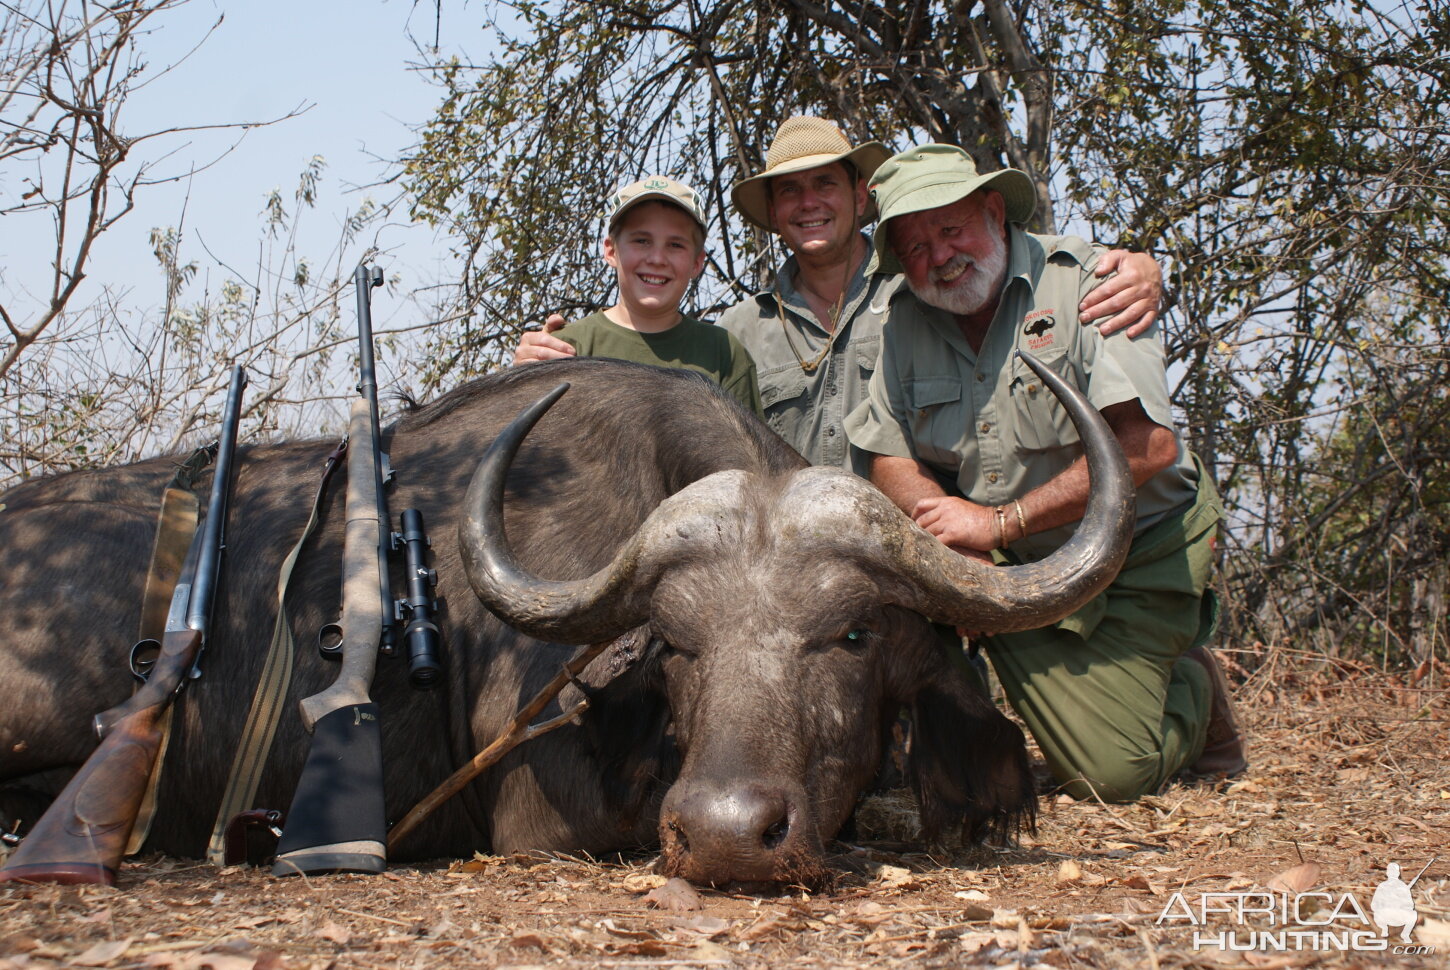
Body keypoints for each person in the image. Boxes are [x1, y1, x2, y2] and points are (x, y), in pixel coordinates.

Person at [843, 143, 1247, 802]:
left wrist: (997, 521)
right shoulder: (902, 321)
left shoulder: (1092, 282)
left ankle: (1195, 694)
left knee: (1110, 778)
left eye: (950, 229)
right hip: (1012, 565)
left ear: (995, 211)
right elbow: (886, 454)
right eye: (914, 247)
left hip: (1137, 556)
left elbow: (1146, 449)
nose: (938, 256)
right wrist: (951, 532)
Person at [513, 116, 1161, 470]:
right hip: (793, 574)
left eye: (825, 183)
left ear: (859, 197)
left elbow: (1015, 265)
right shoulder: (736, 332)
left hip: (916, 552)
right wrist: (532, 366)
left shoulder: (927, 290)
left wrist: (1136, 268)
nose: (808, 203)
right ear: (772, 213)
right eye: (789, 191)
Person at [543, 174, 764, 417]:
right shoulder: (566, 348)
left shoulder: (724, 352)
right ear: (610, 251)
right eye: (641, 241)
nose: (657, 259)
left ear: (697, 262)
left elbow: (749, 453)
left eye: (675, 245)